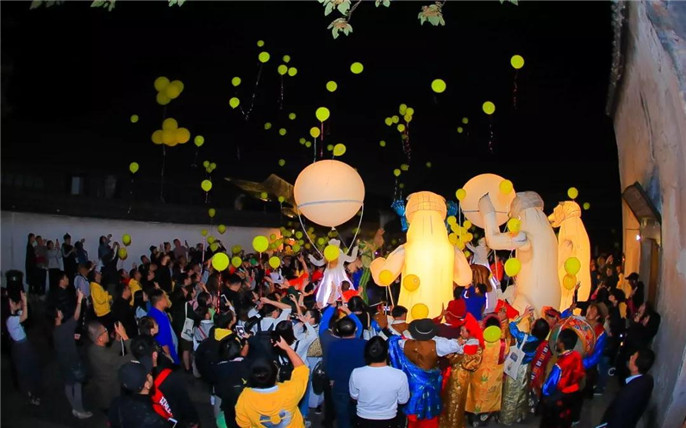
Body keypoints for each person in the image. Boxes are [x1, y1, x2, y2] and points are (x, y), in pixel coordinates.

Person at [387, 318, 465, 428]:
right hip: (430, 383)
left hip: (413, 383)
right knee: (430, 411)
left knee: (413, 408)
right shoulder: (438, 345)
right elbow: (456, 347)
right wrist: (459, 342)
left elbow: (394, 343)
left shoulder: (404, 344)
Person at [235, 337, 310, 428]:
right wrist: (287, 348)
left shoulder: (245, 397)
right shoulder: (290, 390)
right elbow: (302, 369)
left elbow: (243, 424)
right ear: (276, 375)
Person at [130, 335, 199, 428]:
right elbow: (184, 402)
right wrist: (193, 421)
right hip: (175, 421)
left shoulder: (133, 378)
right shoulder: (169, 376)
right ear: (155, 354)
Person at [500, 308, 551, 425]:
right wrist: (531, 317)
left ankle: (507, 417)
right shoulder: (538, 339)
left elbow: (511, 326)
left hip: (516, 367)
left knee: (510, 392)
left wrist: (522, 316)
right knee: (521, 392)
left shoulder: (525, 338)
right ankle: (519, 415)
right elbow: (535, 329)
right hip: (526, 367)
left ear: (534, 328)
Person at [50, 288, 92, 419]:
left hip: (63, 361)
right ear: (58, 314)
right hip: (72, 361)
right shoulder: (64, 328)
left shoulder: (56, 331)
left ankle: (74, 407)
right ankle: (79, 410)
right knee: (77, 385)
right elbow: (76, 317)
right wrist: (79, 301)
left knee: (68, 384)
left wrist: (71, 337)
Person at [349, 337, 409, 428]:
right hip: (389, 419)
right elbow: (403, 400)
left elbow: (354, 396)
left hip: (363, 419)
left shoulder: (356, 373)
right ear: (387, 352)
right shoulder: (399, 375)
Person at [439, 313, 482, 428]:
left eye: (463, 331)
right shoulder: (466, 342)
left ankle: (453, 424)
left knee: (455, 402)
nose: (460, 333)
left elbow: (470, 363)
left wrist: (456, 355)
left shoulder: (475, 346)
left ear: (470, 333)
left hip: (461, 377)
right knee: (449, 399)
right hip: (454, 374)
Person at [326, 316, 368, 428]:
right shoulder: (365, 344)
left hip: (340, 386)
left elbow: (330, 367)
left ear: (338, 331)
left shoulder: (333, 346)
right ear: (355, 329)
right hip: (361, 387)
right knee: (360, 417)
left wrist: (332, 380)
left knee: (343, 418)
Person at [597, 348, 655, 428]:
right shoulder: (648, 380)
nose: (630, 357)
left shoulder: (627, 394)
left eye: (633, 358)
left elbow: (617, 419)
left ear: (635, 368)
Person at [539, 328, 585, 428]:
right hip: (573, 393)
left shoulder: (559, 365)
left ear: (562, 344)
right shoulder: (576, 355)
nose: (557, 342)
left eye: (559, 340)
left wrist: (543, 389)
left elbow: (549, 387)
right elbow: (580, 373)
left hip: (559, 396)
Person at [86, 320, 132, 411]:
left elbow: (110, 353)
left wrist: (117, 339)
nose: (107, 332)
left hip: (102, 389)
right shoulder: (107, 357)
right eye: (105, 331)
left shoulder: (93, 348)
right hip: (111, 394)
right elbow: (132, 356)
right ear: (100, 338)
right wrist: (124, 336)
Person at [6, 291, 42, 405]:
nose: (14, 303)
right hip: (21, 347)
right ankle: (30, 394)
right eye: (12, 302)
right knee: (25, 370)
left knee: (31, 366)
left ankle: (33, 390)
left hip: (24, 345)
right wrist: (25, 301)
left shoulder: (15, 316)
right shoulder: (10, 320)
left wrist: (22, 303)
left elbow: (24, 314)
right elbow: (24, 316)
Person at [108, 361, 168, 428]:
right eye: (149, 374)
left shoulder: (115, 403)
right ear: (147, 385)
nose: (151, 375)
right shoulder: (153, 421)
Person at [147, 288, 180, 365]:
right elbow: (162, 342)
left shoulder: (155, 312)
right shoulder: (158, 317)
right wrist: (169, 358)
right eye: (165, 297)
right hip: (168, 356)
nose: (167, 299)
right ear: (160, 302)